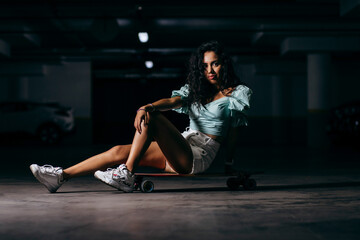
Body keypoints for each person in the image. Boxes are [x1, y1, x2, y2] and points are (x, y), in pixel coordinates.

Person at [30, 40, 252, 193]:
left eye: (215, 63)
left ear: (224, 63)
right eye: (204, 66)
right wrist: (146, 106)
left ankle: (126, 174)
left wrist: (229, 163)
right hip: (182, 145)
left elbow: (233, 132)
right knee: (119, 149)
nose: (210, 70)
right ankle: (59, 177)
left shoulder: (237, 93)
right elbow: (172, 101)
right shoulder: (196, 90)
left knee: (153, 118)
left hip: (199, 155)